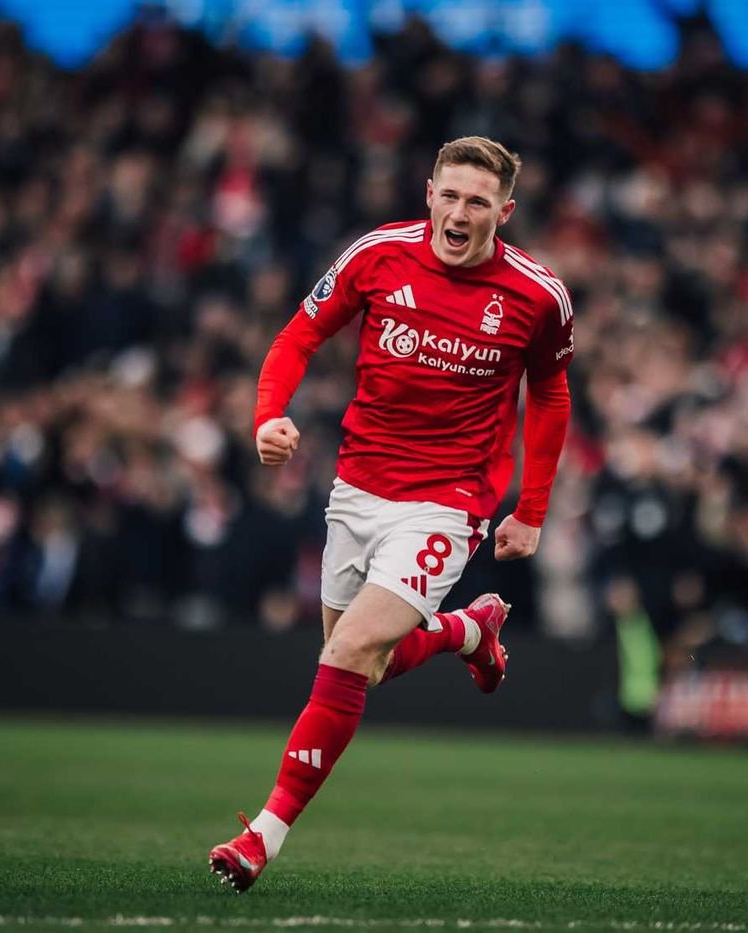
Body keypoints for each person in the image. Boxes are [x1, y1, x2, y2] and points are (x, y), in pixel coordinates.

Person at [208, 137, 574, 891]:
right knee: (360, 659)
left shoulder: (539, 295)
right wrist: (268, 416)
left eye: (479, 201)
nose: (459, 212)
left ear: (504, 212)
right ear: (429, 191)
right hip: (358, 488)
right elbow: (299, 333)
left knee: (344, 655)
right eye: (450, 194)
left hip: (448, 502)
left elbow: (550, 394)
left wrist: (530, 509)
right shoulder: (378, 254)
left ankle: (262, 836)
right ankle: (466, 630)